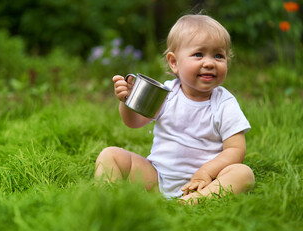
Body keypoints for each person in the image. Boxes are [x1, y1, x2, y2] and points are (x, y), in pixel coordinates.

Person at [94, 14, 255, 203]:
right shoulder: (167, 93)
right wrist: (125, 101)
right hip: (157, 178)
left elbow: (236, 149)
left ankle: (194, 200)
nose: (210, 63)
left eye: (219, 55)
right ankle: (104, 202)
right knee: (110, 155)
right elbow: (134, 122)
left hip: (206, 181)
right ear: (174, 62)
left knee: (243, 173)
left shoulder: (224, 103)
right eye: (198, 54)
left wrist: (206, 172)